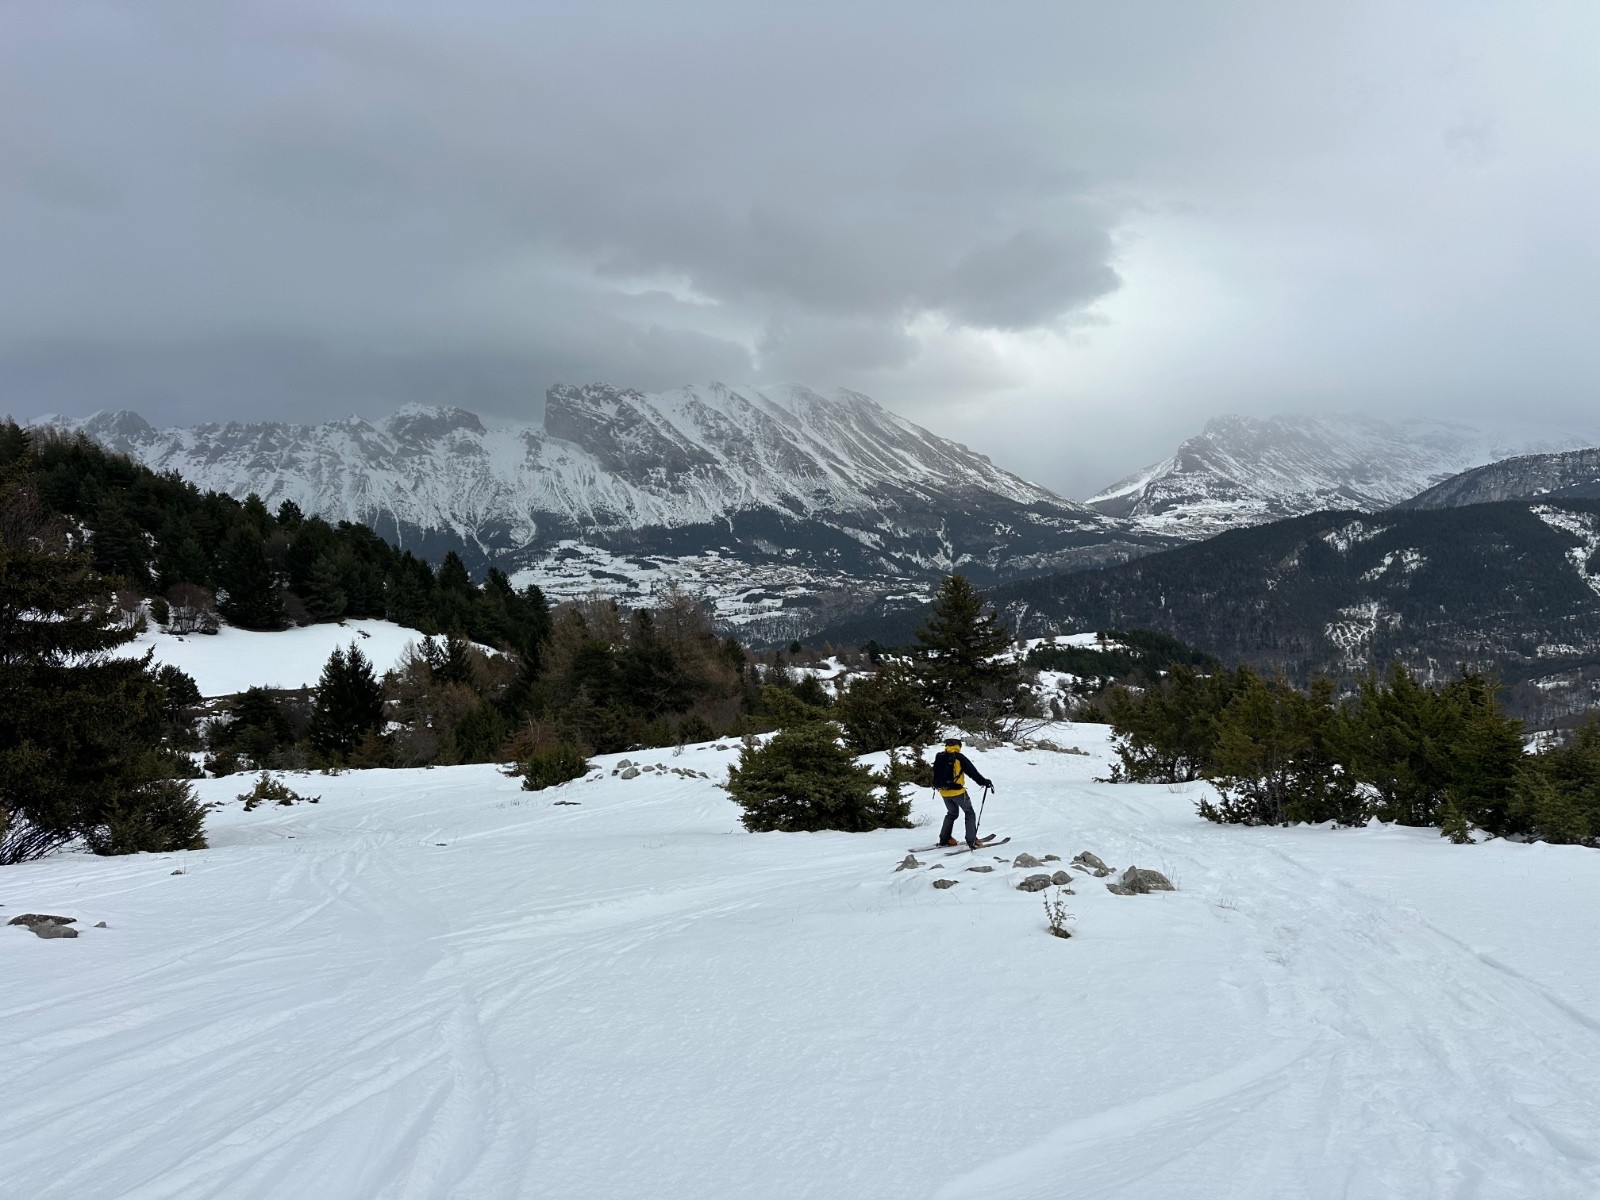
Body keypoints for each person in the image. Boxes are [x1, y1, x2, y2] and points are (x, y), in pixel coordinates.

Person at [932, 736, 993, 848]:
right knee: (969, 812)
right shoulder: (959, 757)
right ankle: (971, 840)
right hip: (958, 792)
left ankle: (945, 839)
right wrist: (984, 782)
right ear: (958, 746)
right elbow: (973, 773)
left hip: (944, 792)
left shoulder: (940, 756)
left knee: (952, 813)